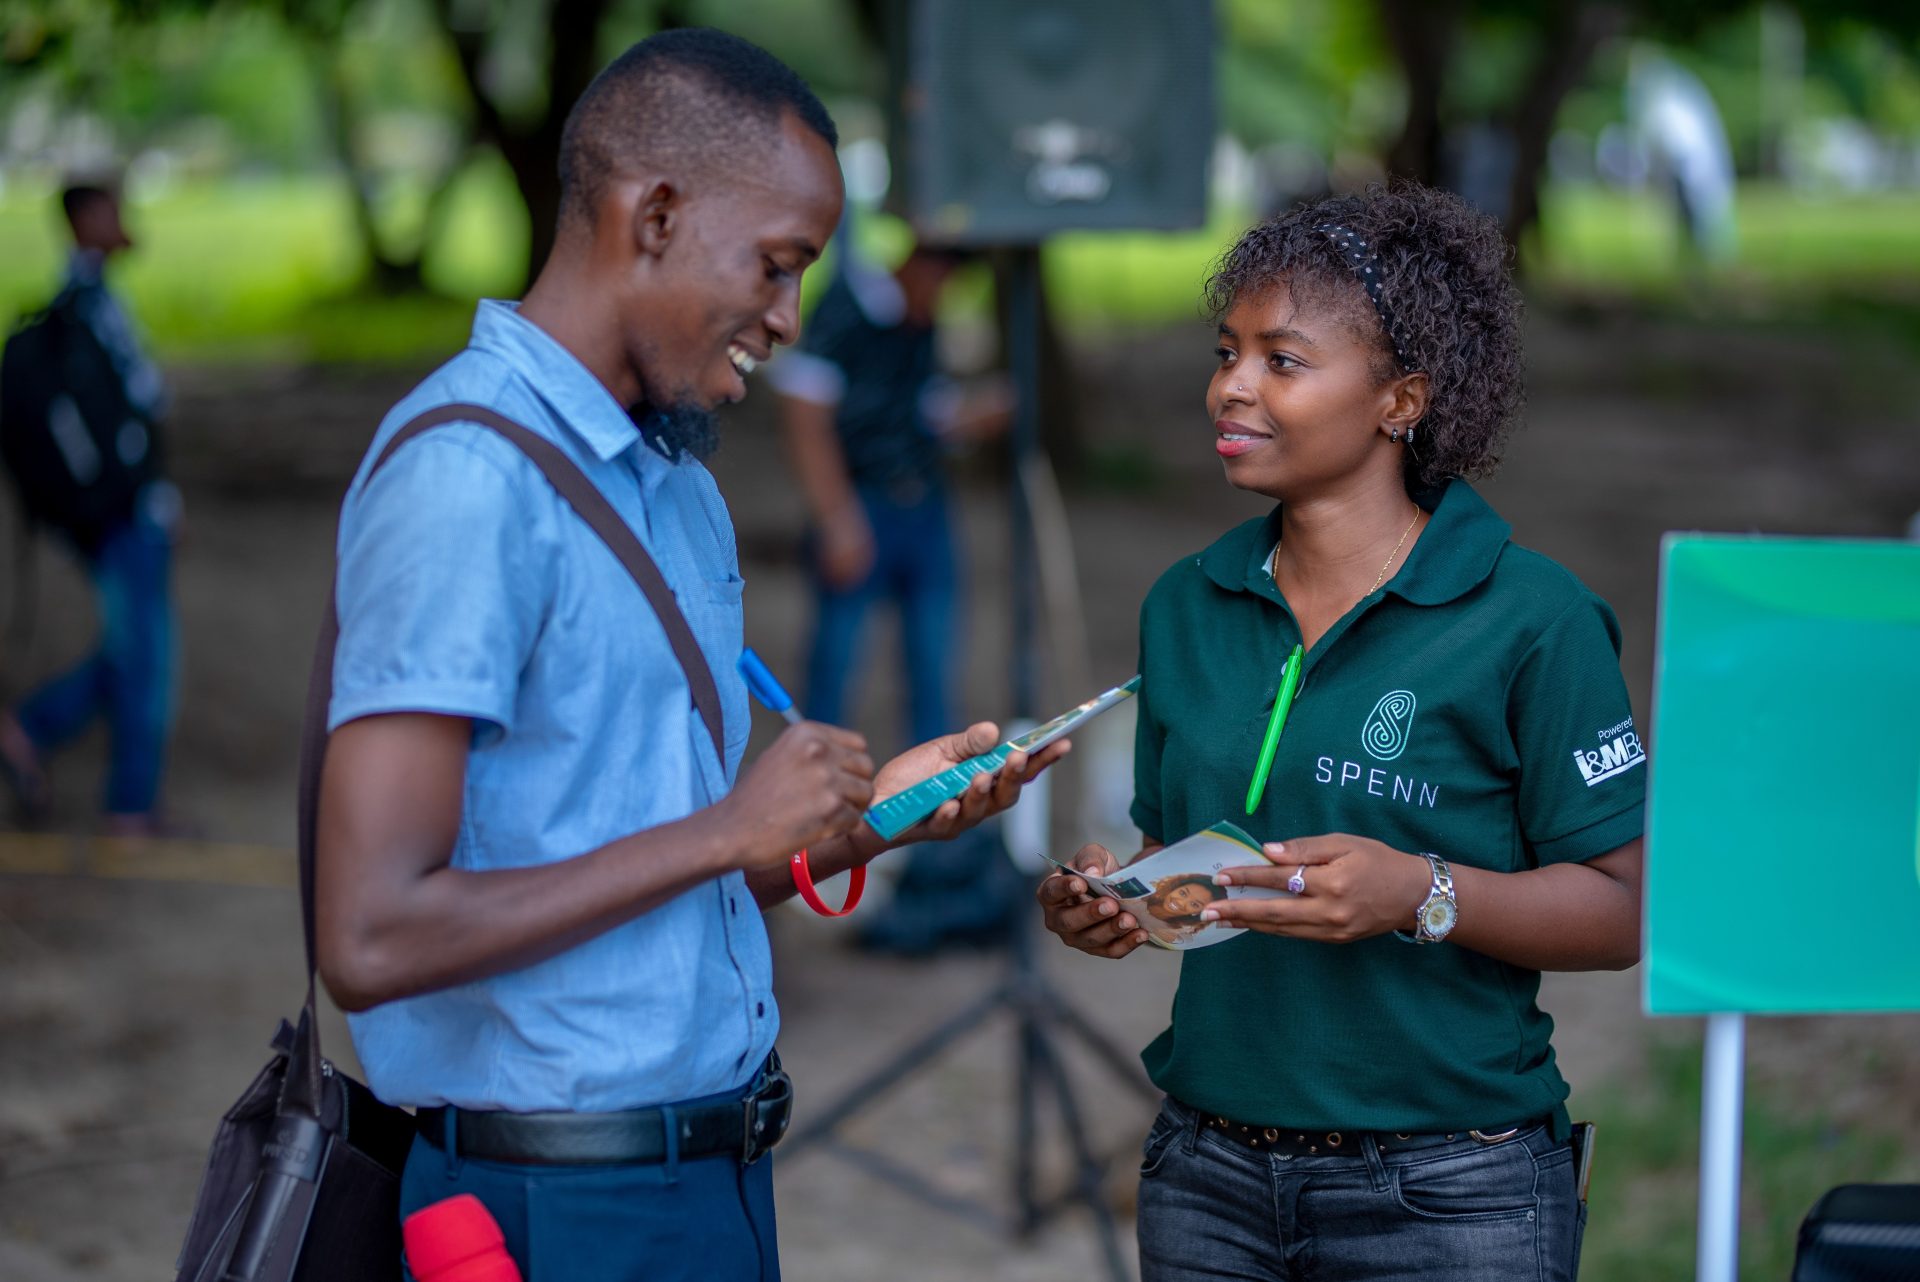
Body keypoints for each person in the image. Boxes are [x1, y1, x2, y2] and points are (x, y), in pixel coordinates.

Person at [312, 30, 1061, 1282]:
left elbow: (653, 875)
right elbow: (372, 935)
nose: (789, 318)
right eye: (777, 266)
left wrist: (870, 822)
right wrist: (728, 828)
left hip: (710, 1178)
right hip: (546, 1207)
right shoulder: (466, 480)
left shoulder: (676, 482)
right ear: (651, 214)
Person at [1037, 184, 1644, 1282]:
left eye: (1283, 360)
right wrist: (1114, 899)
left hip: (1454, 1191)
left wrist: (1422, 891)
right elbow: (1202, 875)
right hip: (1208, 1176)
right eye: (1227, 351)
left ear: (1399, 399)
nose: (1230, 385)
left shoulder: (1532, 620)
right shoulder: (1188, 604)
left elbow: (1618, 909)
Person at [770, 239, 1010, 748]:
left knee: (934, 661)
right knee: (835, 660)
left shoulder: (922, 326)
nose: (943, 298)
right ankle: (815, 782)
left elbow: (917, 412)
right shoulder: (848, 309)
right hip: (860, 503)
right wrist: (837, 518)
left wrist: (971, 419)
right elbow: (805, 417)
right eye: (944, 284)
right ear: (920, 265)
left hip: (924, 506)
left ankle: (933, 795)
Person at [0, 183, 181, 835]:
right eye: (109, 210)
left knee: (137, 648)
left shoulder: (96, 302)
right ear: (81, 221)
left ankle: (32, 730)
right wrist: (144, 498)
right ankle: (128, 805)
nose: (123, 221)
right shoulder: (83, 311)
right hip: (121, 513)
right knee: (145, 654)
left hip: (124, 509)